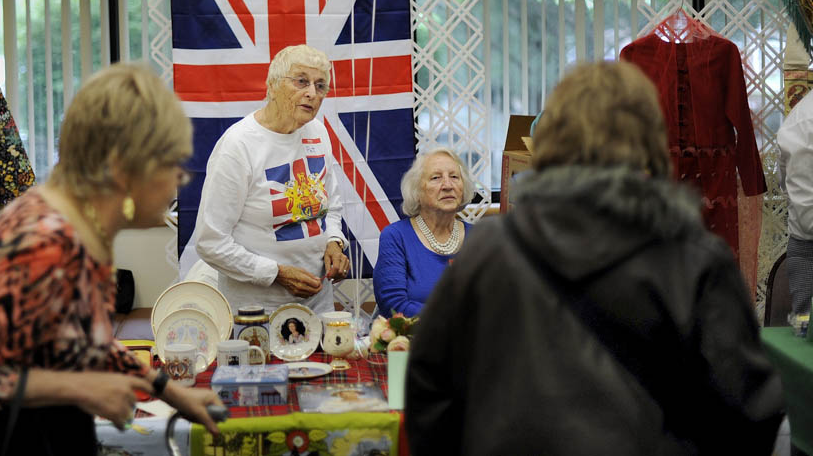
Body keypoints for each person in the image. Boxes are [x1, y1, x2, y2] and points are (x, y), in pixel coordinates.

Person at [406, 61, 783, 456]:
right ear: (649, 143)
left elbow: (429, 393)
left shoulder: (488, 251)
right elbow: (749, 412)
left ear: (550, 140)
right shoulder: (695, 261)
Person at [0, 64, 222, 455]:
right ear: (123, 167)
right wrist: (82, 387)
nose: (180, 178)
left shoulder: (79, 226)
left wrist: (169, 391)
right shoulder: (45, 240)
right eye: (170, 163)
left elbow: (85, 343)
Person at [195, 45, 350, 314]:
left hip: (316, 304)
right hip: (255, 312)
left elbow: (331, 205)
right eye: (301, 81)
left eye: (321, 85)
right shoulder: (238, 145)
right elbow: (211, 243)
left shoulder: (317, 131)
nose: (312, 93)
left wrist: (334, 241)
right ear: (273, 85)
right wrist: (276, 273)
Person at [373, 148, 473, 316]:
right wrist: (453, 320)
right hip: (413, 338)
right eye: (436, 178)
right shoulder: (396, 237)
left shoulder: (479, 238)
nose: (448, 185)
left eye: (454, 177)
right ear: (417, 192)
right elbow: (393, 304)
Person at [777, 88, 813, 316]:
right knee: (805, 338)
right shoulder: (804, 121)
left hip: (804, 244)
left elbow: (784, 182)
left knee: (804, 339)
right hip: (808, 250)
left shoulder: (798, 119)